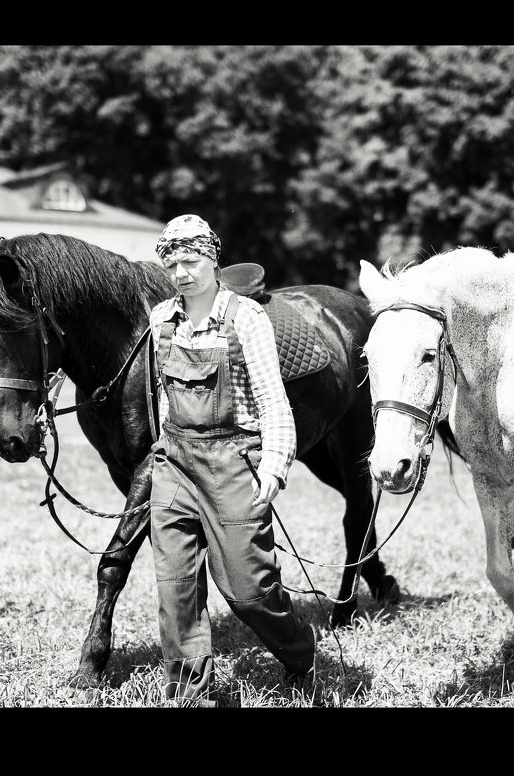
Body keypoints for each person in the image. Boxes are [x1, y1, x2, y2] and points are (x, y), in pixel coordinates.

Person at [147, 213, 316, 707]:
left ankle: (300, 654)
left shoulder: (246, 318)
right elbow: (163, 397)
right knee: (175, 586)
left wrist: (274, 464)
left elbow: (272, 400)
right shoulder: (160, 318)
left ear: (213, 260)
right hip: (175, 461)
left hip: (233, 460)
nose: (181, 271)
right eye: (172, 262)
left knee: (247, 590)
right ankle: (189, 692)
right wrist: (163, 448)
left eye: (192, 260)